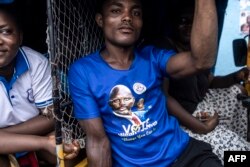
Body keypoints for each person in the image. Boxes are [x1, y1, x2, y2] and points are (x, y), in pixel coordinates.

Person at [68, 0, 222, 166]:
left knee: (235, 156)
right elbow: (98, 142)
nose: (127, 17)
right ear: (100, 20)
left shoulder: (153, 57)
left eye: (135, 13)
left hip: (184, 154)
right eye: (116, 11)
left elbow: (202, 61)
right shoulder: (83, 71)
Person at [152, 2, 250, 163]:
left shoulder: (199, 49)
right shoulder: (164, 49)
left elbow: (210, 81)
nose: (190, 26)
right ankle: (233, 151)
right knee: (241, 154)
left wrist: (235, 76)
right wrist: (200, 127)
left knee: (237, 92)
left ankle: (233, 137)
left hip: (202, 101)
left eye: (194, 21)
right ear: (173, 24)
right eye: (184, 21)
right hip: (184, 117)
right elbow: (164, 98)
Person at [0, 4, 80, 167]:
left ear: (20, 37)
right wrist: (42, 142)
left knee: (68, 155)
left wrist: (5, 136)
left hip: (35, 134)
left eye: (6, 31)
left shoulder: (35, 62)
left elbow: (51, 118)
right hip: (27, 140)